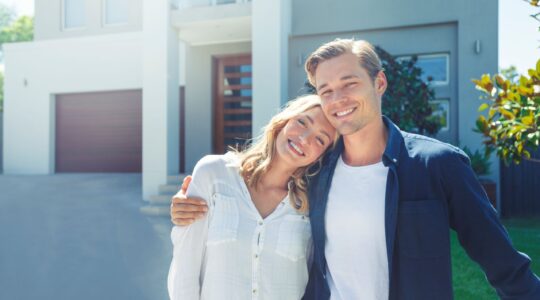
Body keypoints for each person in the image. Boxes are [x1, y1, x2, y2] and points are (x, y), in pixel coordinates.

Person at [171, 39, 540, 299]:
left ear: (379, 83)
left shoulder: (437, 165)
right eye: (326, 90)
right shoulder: (316, 173)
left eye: (349, 83)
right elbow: (262, 180)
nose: (337, 99)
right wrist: (190, 201)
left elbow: (505, 265)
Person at [167, 94, 337, 299]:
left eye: (320, 139)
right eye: (302, 122)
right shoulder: (214, 174)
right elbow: (184, 271)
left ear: (322, 155)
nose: (304, 138)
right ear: (283, 121)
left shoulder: (312, 207)